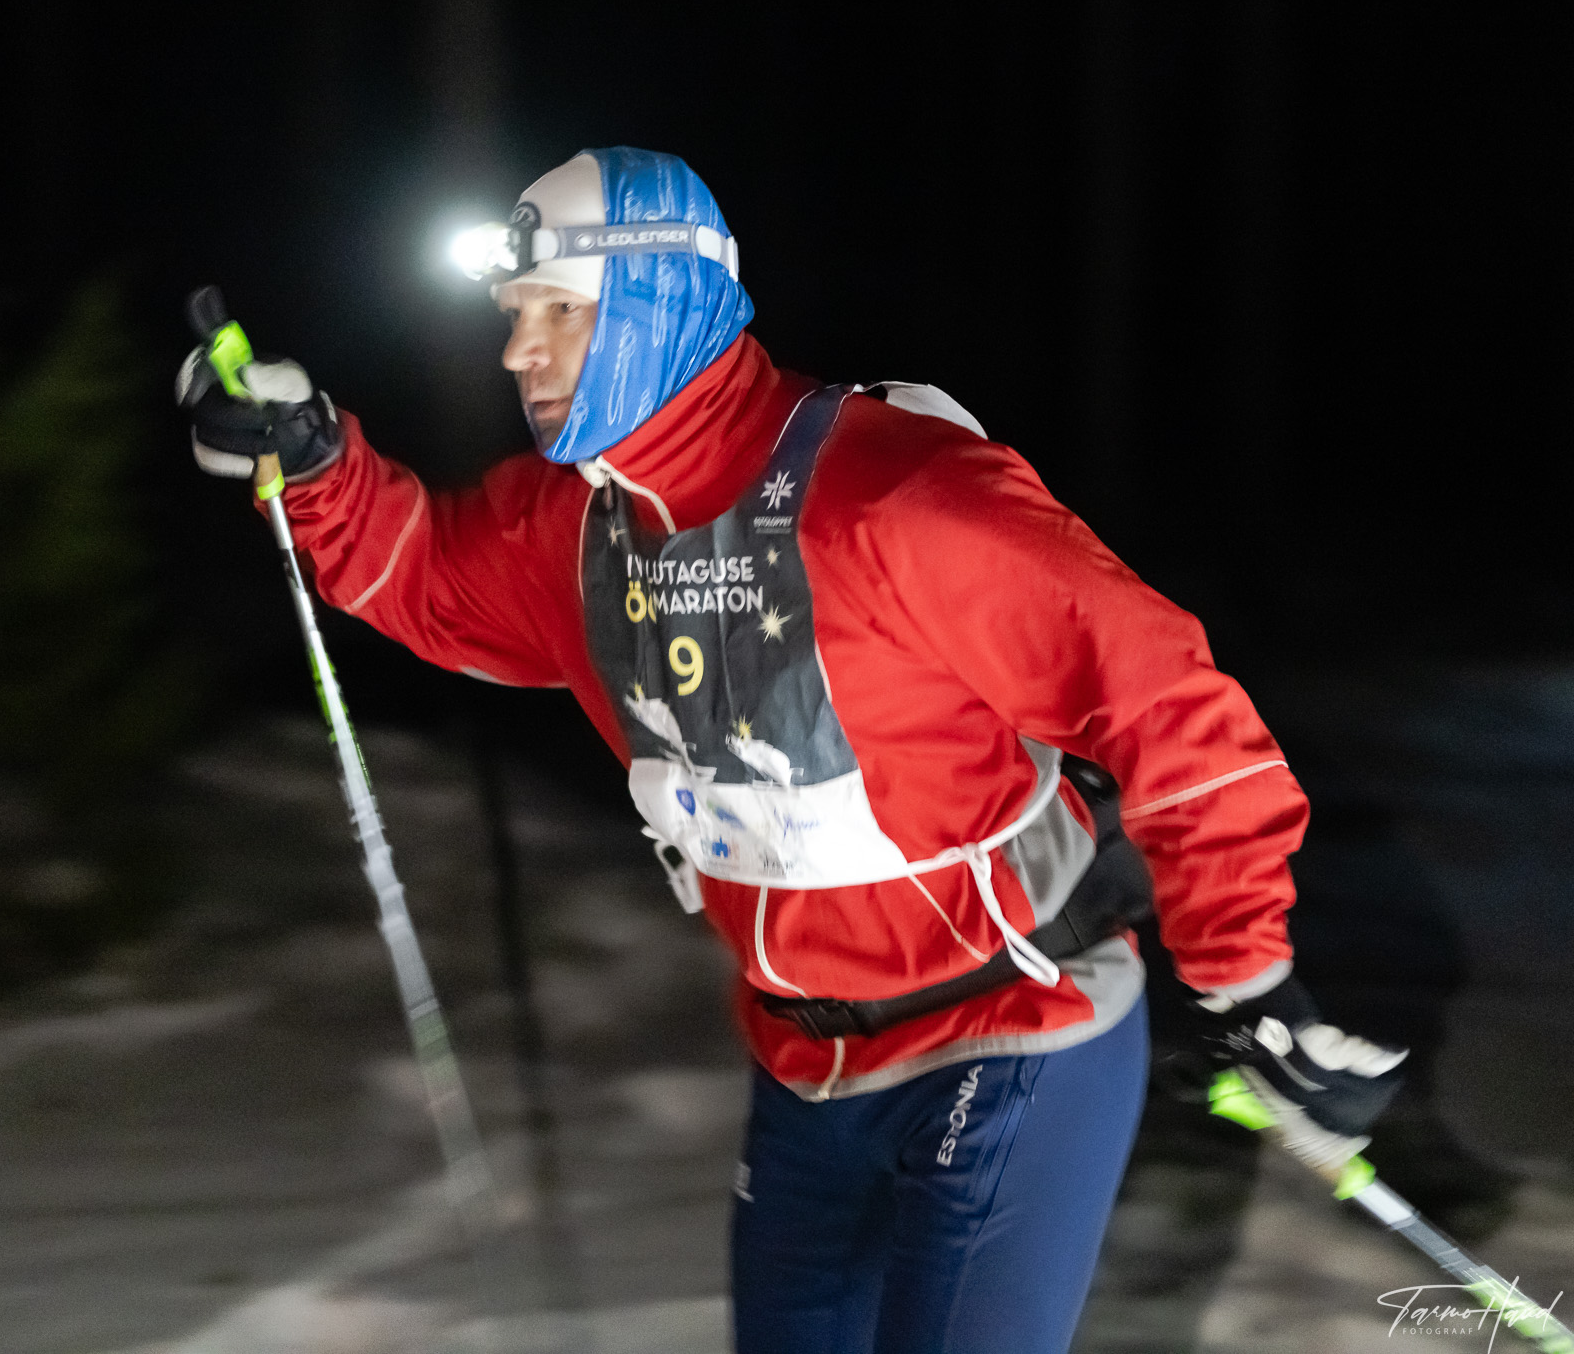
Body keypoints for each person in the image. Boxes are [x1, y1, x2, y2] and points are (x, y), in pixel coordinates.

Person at [181, 146, 1406, 1353]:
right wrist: (312, 459)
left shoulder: (892, 493)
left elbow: (1163, 698)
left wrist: (1247, 979)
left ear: (658, 302)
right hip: (806, 1066)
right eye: (511, 315)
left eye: (558, 311)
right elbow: (429, 576)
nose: (516, 352)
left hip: (1012, 1026)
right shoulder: (580, 529)